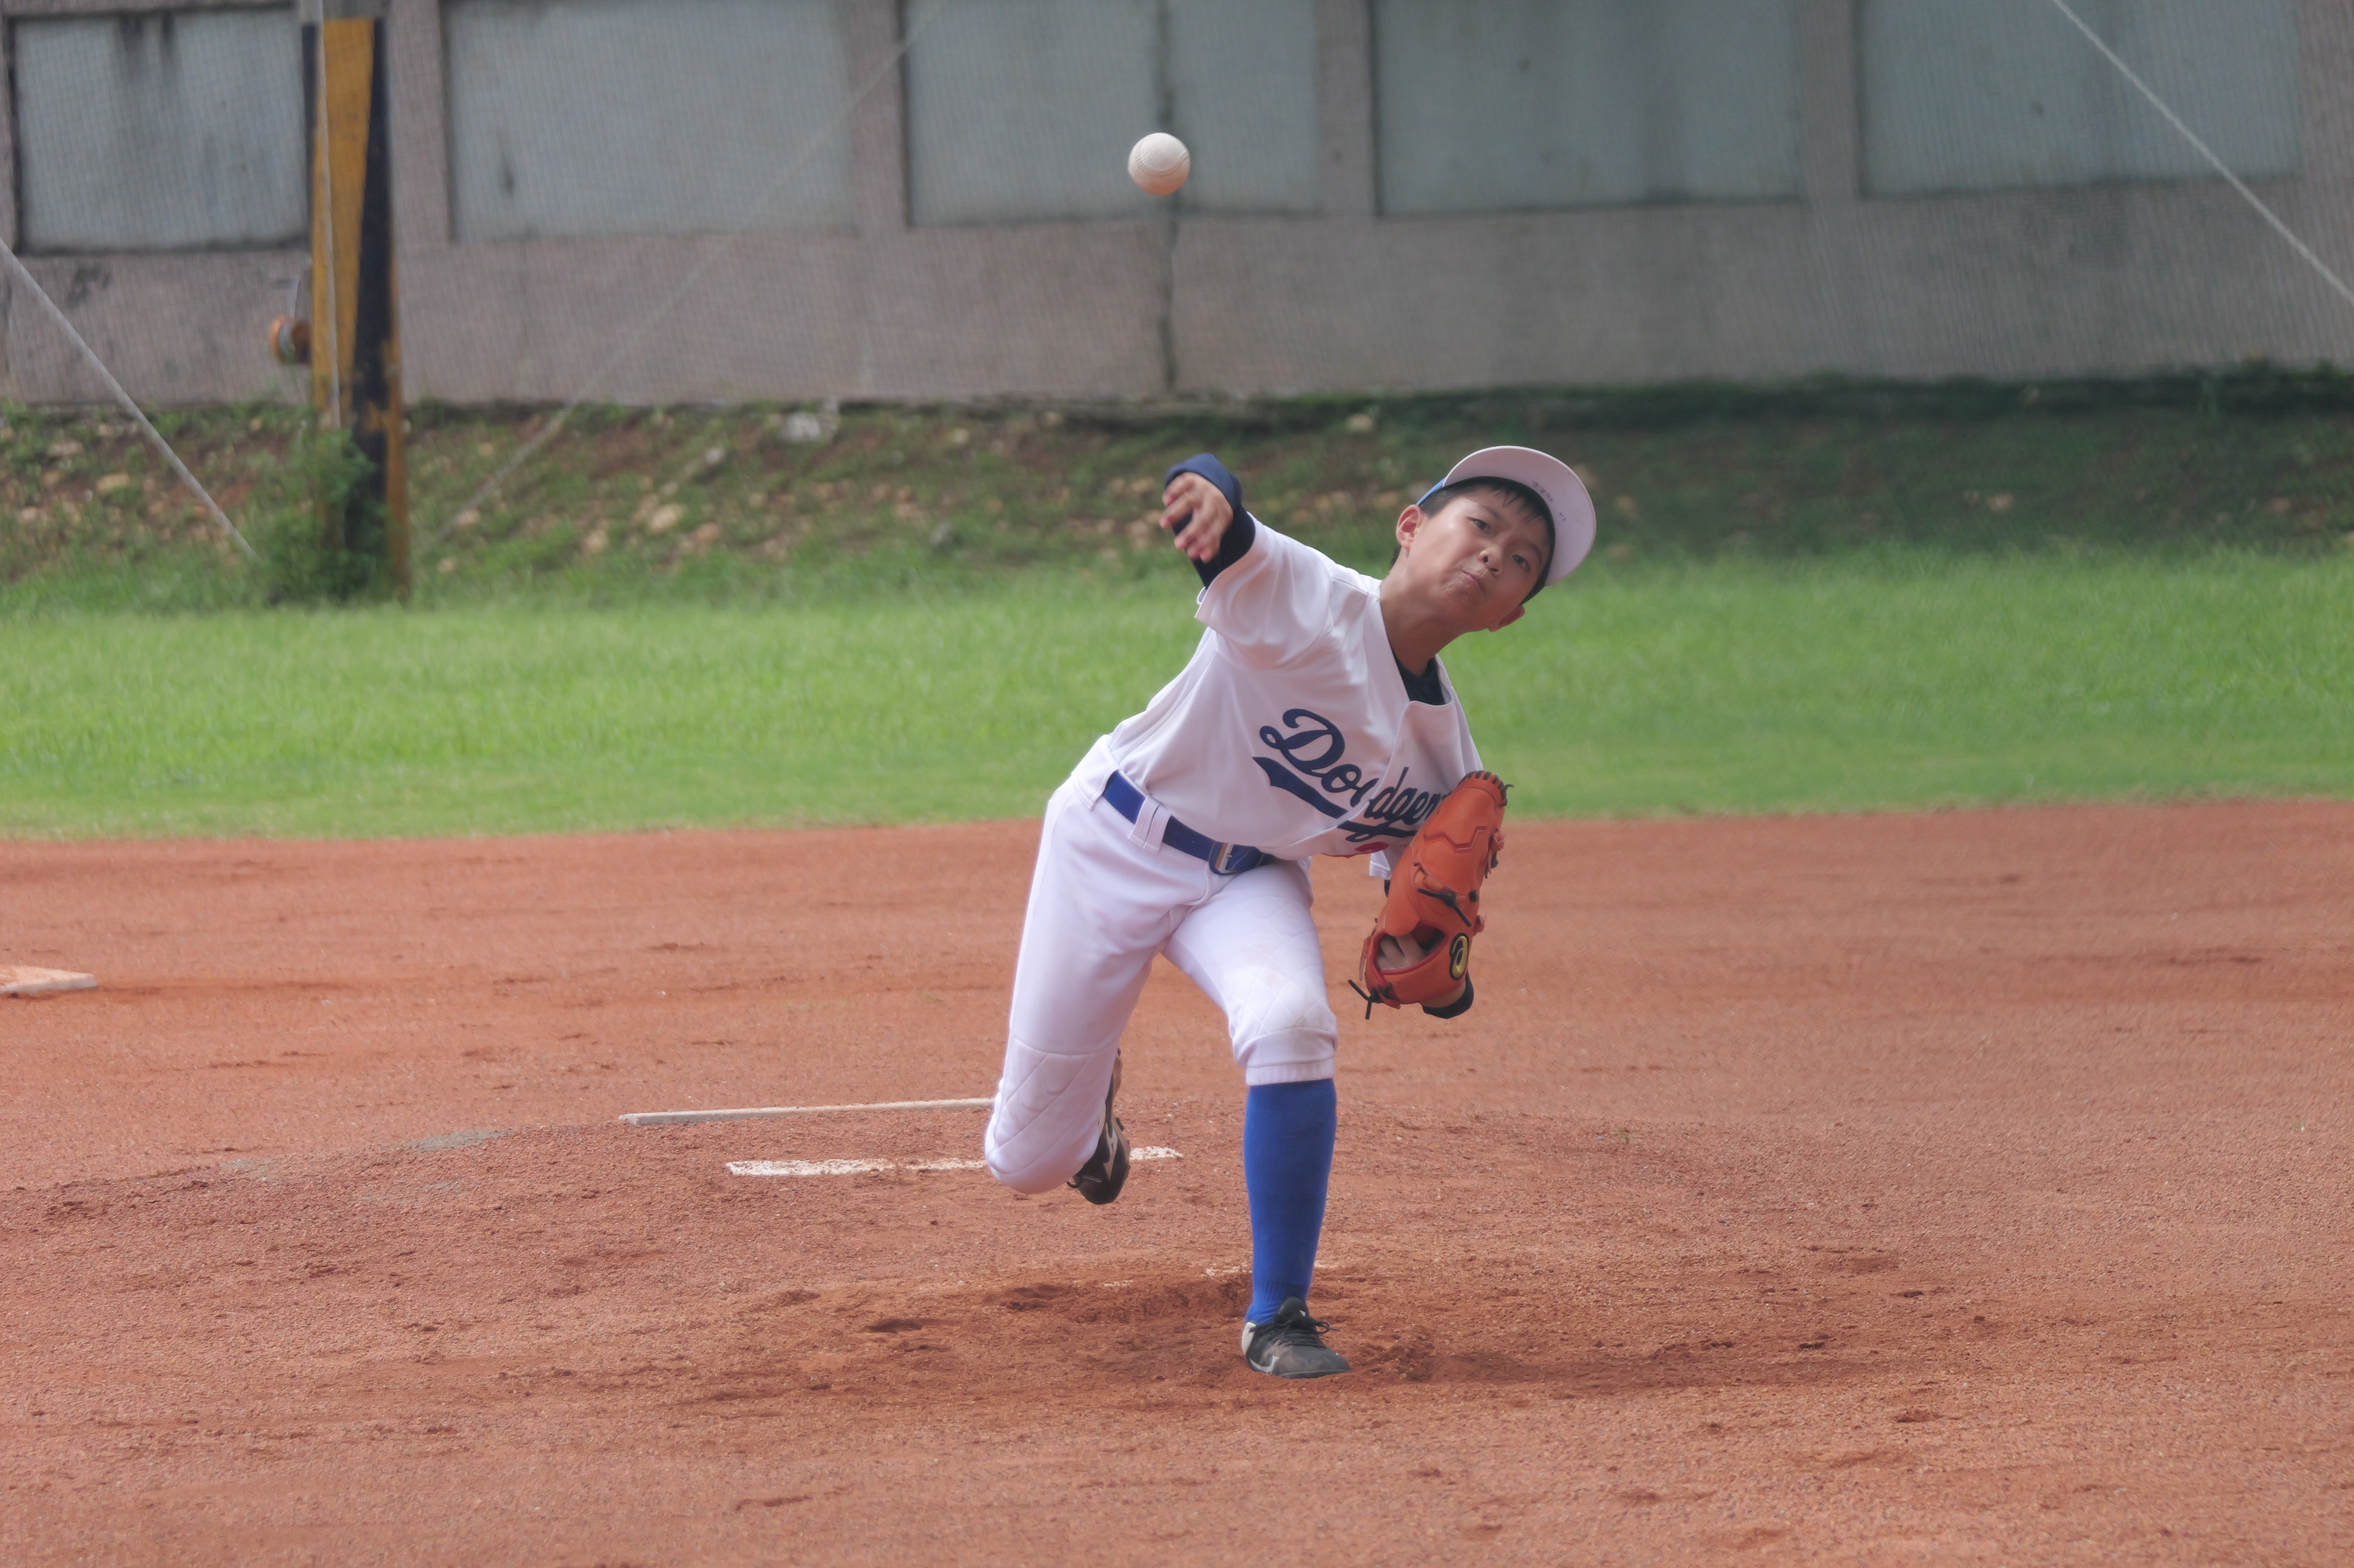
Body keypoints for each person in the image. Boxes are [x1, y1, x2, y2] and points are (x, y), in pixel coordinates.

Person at [983, 444, 1595, 1377]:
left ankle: (1279, 1315)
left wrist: (1442, 970)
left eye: (1520, 563)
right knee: (1025, 1161)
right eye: (1481, 526)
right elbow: (1228, 533)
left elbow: (1422, 892)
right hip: (1112, 841)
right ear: (1411, 526)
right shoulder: (1314, 600)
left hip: (1245, 878)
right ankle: (1088, 1122)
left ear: (1512, 615)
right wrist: (1205, 494)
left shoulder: (1445, 758)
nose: (1492, 558)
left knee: (1294, 1021)